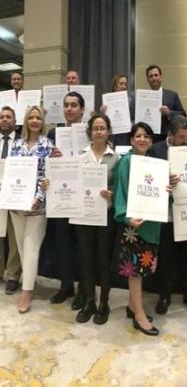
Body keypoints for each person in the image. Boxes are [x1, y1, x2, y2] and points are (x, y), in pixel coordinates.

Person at [150, 115, 187, 314]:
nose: (185, 140)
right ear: (171, 135)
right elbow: (149, 177)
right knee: (166, 257)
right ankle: (164, 295)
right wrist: (164, 181)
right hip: (165, 213)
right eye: (182, 137)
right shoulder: (156, 150)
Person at [114, 122, 163, 336]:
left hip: (150, 223)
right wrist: (126, 217)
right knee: (135, 272)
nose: (142, 139)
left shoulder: (154, 164)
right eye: (138, 136)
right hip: (134, 226)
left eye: (146, 136)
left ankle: (132, 306)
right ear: (131, 140)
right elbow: (121, 191)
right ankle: (139, 315)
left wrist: (166, 189)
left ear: (151, 141)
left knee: (141, 269)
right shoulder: (126, 162)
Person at [73, 113, 119, 324]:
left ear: (108, 131)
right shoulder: (80, 156)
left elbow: (119, 186)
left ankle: (104, 303)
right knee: (86, 257)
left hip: (105, 215)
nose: (99, 132)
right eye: (95, 128)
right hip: (83, 215)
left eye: (102, 128)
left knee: (103, 258)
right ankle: (89, 301)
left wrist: (112, 194)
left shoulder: (116, 158)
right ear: (90, 132)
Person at [10, 106, 54, 313]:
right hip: (17, 205)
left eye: (38, 117)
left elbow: (47, 178)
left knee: (31, 247)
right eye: (31, 117)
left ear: (42, 122)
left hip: (38, 207)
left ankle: (26, 291)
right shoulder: (16, 145)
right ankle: (30, 281)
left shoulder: (48, 145)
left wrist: (38, 198)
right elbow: (10, 173)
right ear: (26, 121)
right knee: (21, 247)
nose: (35, 120)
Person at [47, 91, 85, 309]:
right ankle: (66, 285)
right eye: (66, 105)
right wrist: (53, 158)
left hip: (83, 195)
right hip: (61, 195)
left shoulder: (89, 132)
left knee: (82, 244)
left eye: (74, 105)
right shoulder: (54, 133)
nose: (69, 109)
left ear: (82, 109)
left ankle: (84, 289)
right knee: (63, 242)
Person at [0, 106, 22, 294]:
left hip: (16, 193)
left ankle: (13, 275)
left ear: (15, 121)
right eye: (2, 117)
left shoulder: (22, 142)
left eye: (9, 117)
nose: (5, 119)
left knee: (15, 236)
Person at [145, 64, 186, 142]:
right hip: (149, 137)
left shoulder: (172, 95)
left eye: (156, 75)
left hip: (167, 137)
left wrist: (169, 113)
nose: (153, 78)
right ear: (147, 79)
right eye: (150, 76)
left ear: (161, 77)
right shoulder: (143, 97)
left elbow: (183, 115)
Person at [101, 74, 134, 146]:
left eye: (125, 84)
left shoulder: (130, 101)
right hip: (111, 136)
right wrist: (102, 113)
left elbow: (133, 119)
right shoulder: (107, 100)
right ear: (115, 86)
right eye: (121, 84)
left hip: (125, 136)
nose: (124, 87)